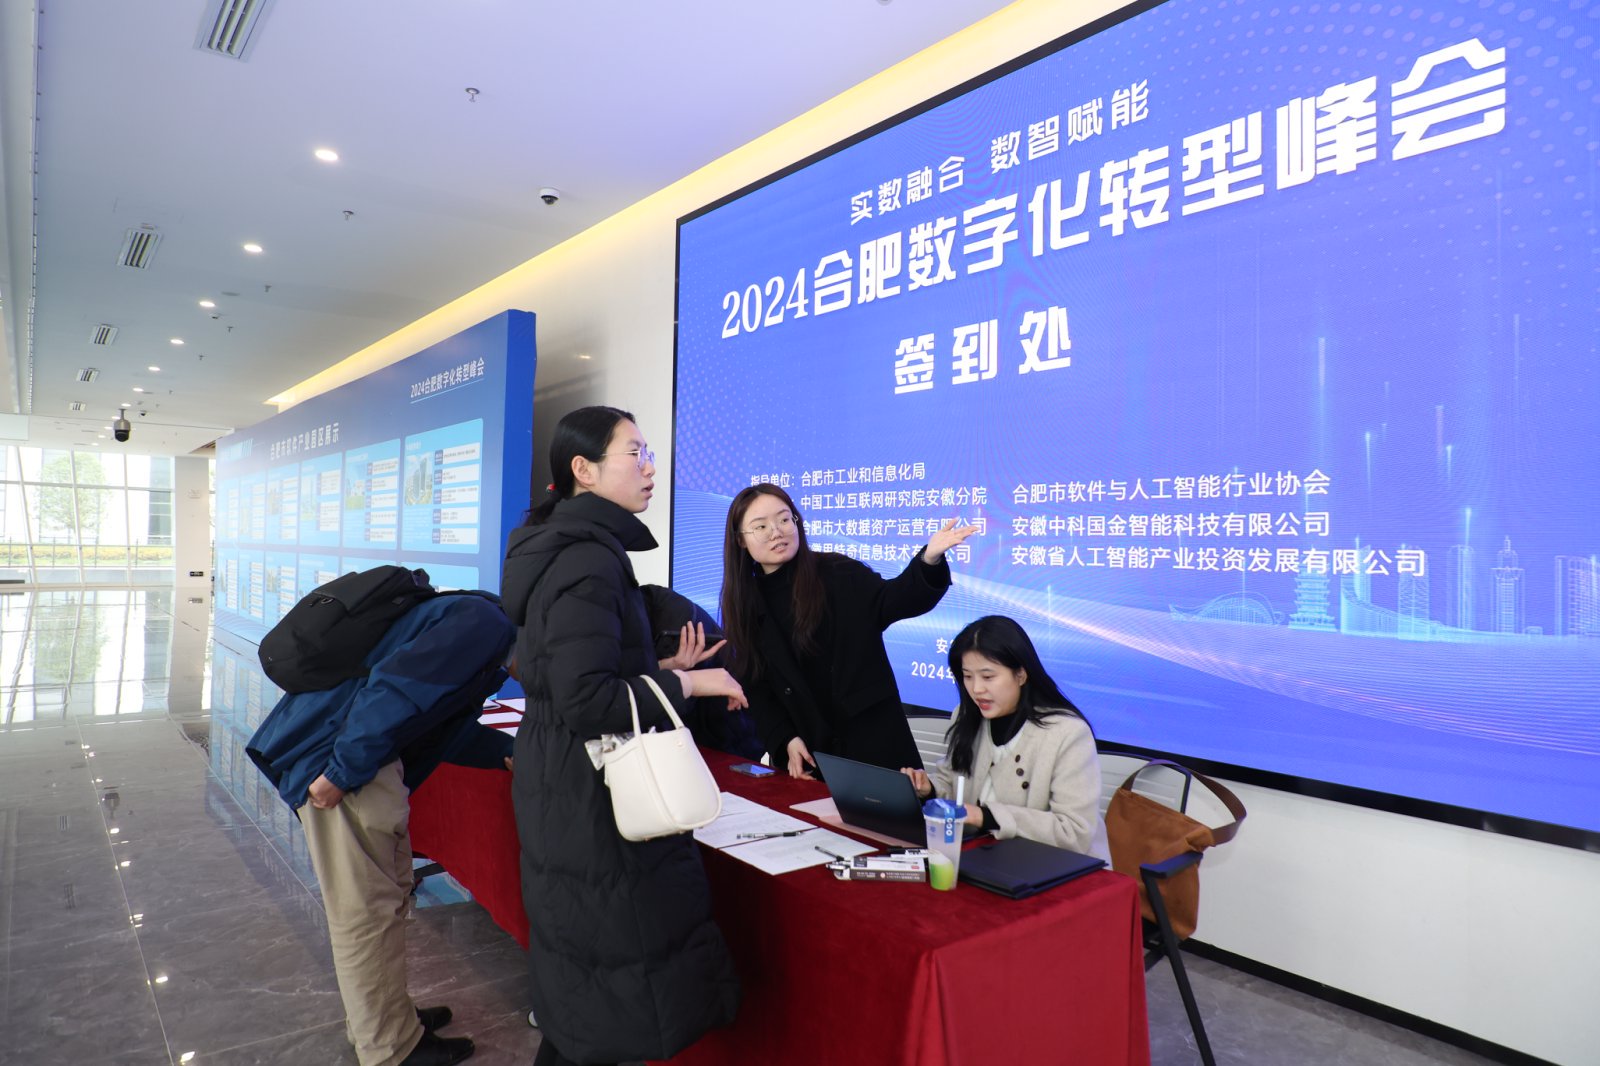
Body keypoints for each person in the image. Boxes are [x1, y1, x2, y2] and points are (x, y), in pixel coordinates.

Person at [501, 406, 743, 1066]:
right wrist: (691, 683)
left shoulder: (561, 548)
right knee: (610, 987)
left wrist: (656, 670)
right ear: (583, 469)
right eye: (635, 453)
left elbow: (566, 675)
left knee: (584, 986)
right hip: (594, 793)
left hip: (564, 780)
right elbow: (588, 699)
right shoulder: (589, 560)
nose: (650, 468)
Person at [246, 590, 516, 1066]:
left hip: (354, 757)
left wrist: (507, 752)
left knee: (382, 904)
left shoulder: (482, 621)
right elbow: (391, 692)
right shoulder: (484, 624)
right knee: (366, 915)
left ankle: (387, 1021)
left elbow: (437, 723)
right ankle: (391, 1050)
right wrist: (341, 773)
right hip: (342, 763)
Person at [718, 483, 977, 778]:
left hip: (873, 744)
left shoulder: (838, 573)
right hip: (809, 756)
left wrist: (929, 559)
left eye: (784, 519)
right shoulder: (744, 604)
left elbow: (895, 600)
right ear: (740, 540)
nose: (777, 532)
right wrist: (785, 739)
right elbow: (756, 685)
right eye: (761, 526)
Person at [902, 615, 1111, 861]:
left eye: (988, 677)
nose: (976, 689)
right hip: (983, 858)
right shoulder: (966, 716)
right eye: (967, 676)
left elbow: (1074, 832)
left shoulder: (1068, 732)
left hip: (1053, 867)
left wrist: (986, 816)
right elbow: (954, 792)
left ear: (1021, 675)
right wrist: (929, 790)